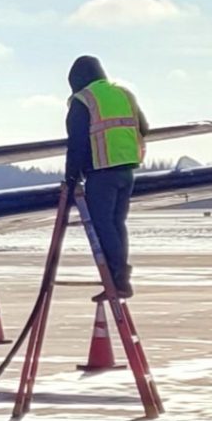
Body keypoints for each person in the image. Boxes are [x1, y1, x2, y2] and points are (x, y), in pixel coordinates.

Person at [64, 54, 149, 297]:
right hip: (127, 169)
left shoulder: (83, 100)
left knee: (102, 225)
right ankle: (122, 279)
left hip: (101, 171)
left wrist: (71, 177)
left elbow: (77, 143)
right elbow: (144, 128)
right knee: (117, 223)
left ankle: (118, 278)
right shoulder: (123, 94)